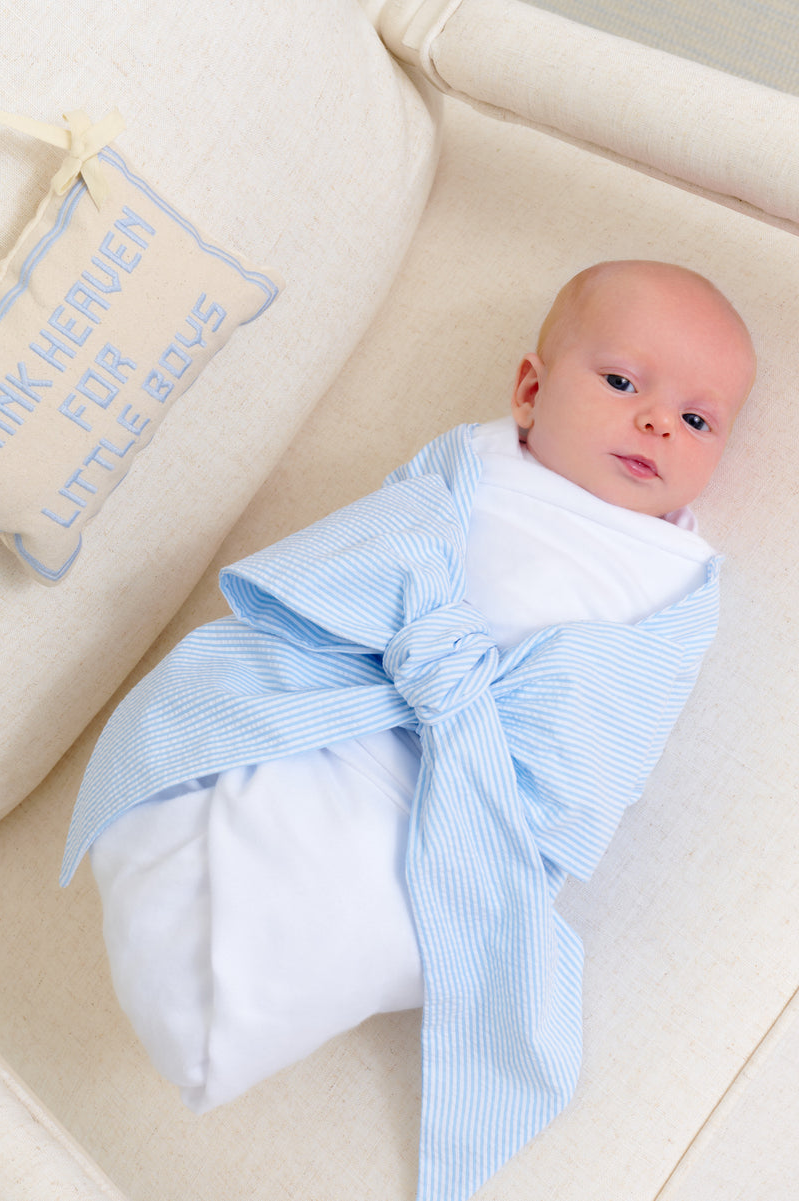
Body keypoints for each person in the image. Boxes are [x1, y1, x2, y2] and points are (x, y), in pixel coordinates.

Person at [61, 260, 755, 1201]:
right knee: (204, 737)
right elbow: (380, 543)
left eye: (699, 420)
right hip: (345, 700)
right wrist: (424, 641)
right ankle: (187, 908)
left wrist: (497, 747)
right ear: (530, 390)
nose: (657, 422)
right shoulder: (473, 463)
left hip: (471, 793)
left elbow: (618, 729)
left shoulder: (677, 578)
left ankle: (261, 988)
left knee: (394, 907)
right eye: (624, 381)